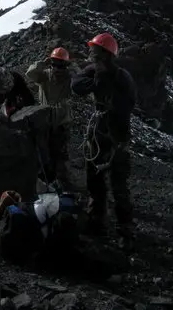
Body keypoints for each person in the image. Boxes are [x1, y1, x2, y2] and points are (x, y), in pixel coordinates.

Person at [71, 32, 137, 252]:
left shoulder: (122, 77)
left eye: (95, 51)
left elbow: (127, 104)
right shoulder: (95, 72)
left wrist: (104, 86)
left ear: (106, 54)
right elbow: (77, 85)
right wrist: (97, 80)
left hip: (116, 136)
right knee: (95, 181)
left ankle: (125, 231)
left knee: (118, 185)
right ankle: (97, 221)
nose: (91, 54)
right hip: (98, 134)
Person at [26, 47, 80, 192]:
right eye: (55, 63)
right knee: (44, 155)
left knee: (60, 156)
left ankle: (64, 185)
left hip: (61, 123)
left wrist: (74, 68)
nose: (57, 68)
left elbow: (80, 84)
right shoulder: (44, 75)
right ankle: (47, 184)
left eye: (61, 65)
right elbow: (30, 74)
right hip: (44, 122)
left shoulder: (70, 78)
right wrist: (41, 64)